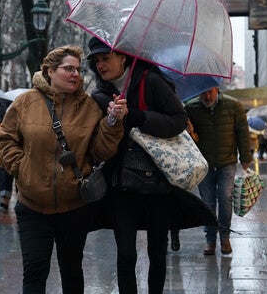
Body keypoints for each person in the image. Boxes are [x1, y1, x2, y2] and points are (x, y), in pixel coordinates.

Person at [0, 45, 126, 293]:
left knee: (72, 270)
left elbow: (101, 151)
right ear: (50, 71)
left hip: (74, 206)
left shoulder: (89, 107)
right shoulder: (25, 102)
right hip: (32, 206)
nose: (76, 74)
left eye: (78, 69)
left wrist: (112, 123)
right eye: (68, 69)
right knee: (34, 271)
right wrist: (21, 168)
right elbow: (5, 139)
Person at [87, 37, 203, 293]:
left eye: (106, 58)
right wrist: (111, 122)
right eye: (96, 61)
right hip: (120, 183)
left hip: (158, 181)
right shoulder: (99, 94)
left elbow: (178, 120)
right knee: (126, 253)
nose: (101, 65)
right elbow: (96, 139)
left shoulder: (150, 80)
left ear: (123, 58)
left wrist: (136, 116)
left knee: (157, 252)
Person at [185, 86, 252, 256]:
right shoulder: (191, 108)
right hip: (204, 164)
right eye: (203, 92)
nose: (207, 96)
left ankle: (225, 237)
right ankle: (210, 240)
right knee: (207, 203)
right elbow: (188, 140)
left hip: (227, 162)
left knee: (225, 198)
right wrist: (189, 131)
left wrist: (246, 157)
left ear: (217, 90)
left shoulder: (233, 105)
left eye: (210, 92)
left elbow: (243, 133)